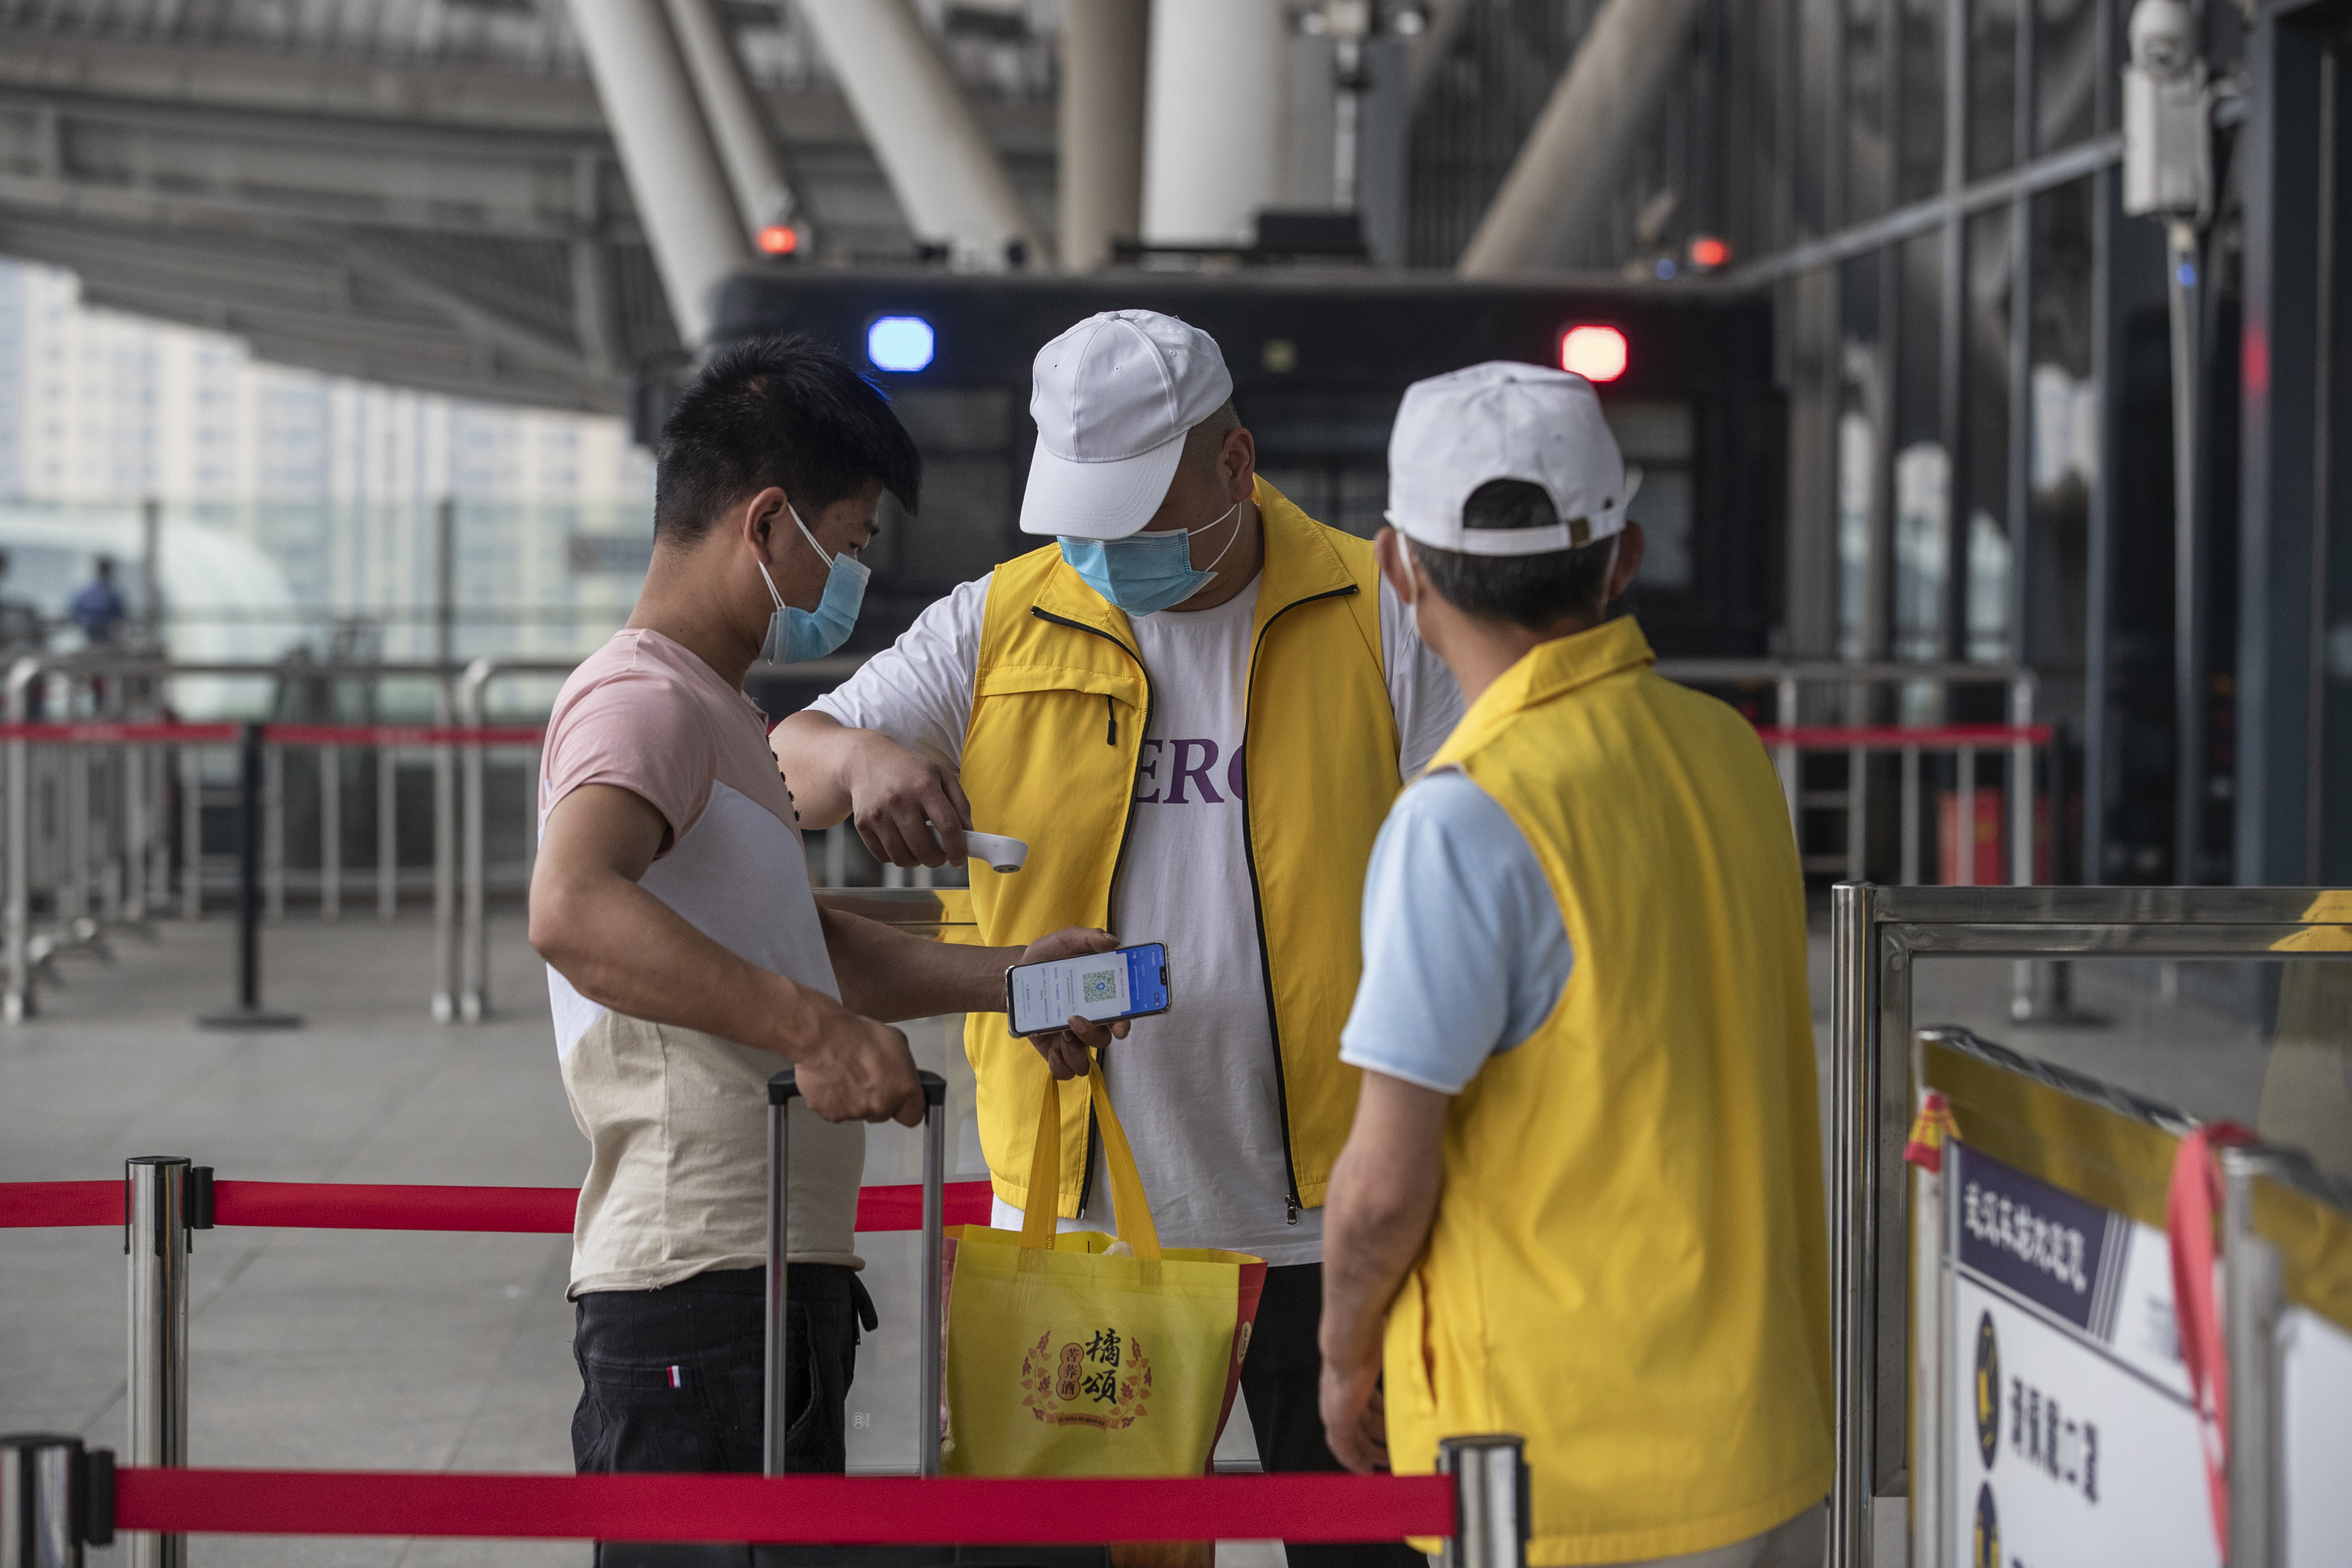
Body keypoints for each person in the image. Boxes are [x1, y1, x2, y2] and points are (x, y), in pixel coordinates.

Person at [773, 310, 1459, 1564]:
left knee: (1366, 1551)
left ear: (1236, 468)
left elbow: (1481, 865)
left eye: (1134, 516)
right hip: (1082, 1206)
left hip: (1331, 1209)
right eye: (1079, 519)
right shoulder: (1002, 620)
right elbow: (787, 767)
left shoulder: (1381, 616)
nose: (1100, 551)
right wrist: (864, 754)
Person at [528, 334, 1117, 1564]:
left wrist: (1014, 981)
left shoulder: (719, 713)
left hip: (763, 1280)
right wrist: (814, 1034)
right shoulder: (641, 698)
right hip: (696, 1283)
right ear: (766, 524)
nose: (850, 572)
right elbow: (575, 907)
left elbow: (798, 949)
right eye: (847, 544)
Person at [1316, 362, 1832, 1568]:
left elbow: (1385, 1185)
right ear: (1625, 555)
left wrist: (1346, 1354)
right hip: (1759, 1445)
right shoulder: (1730, 755)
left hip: (1561, 1475)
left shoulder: (1465, 818)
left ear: (1398, 568)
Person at [69, 555, 127, 645]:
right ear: (111, 571)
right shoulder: (113, 593)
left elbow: (74, 612)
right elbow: (121, 617)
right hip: (105, 636)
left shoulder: (85, 591)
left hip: (88, 634)